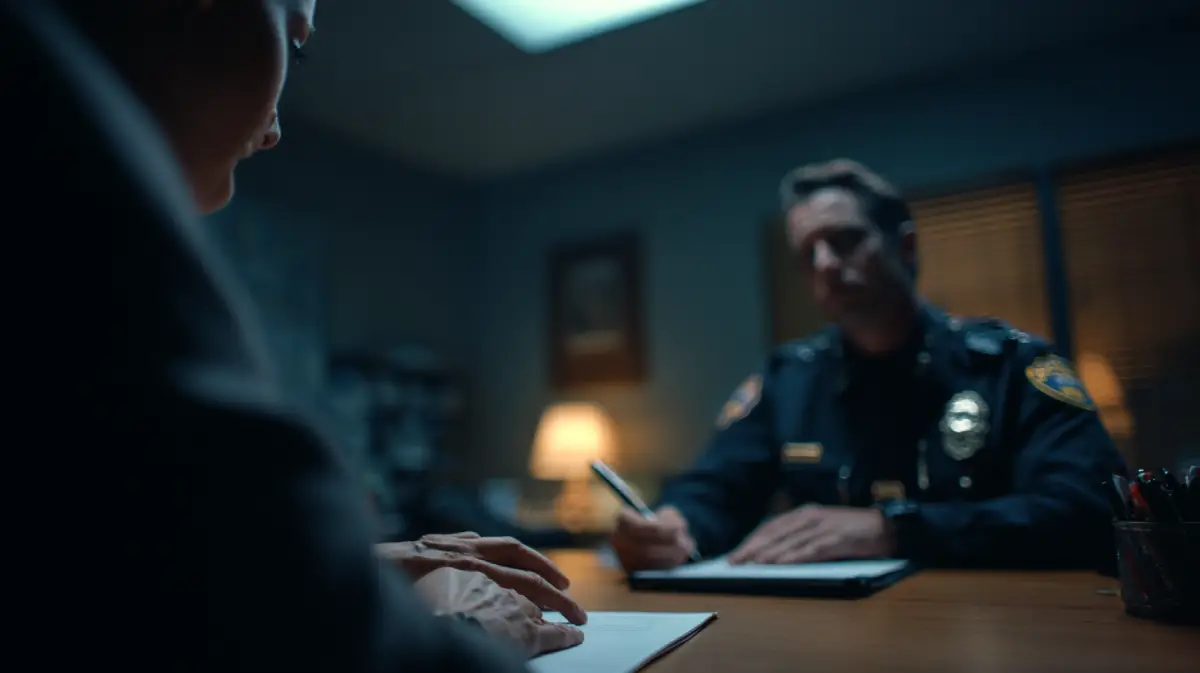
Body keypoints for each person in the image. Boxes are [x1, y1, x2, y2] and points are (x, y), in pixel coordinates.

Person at [4, 0, 581, 669]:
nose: (276, 131)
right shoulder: (53, 162)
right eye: (295, 42)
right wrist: (473, 632)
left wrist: (349, 566)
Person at [611, 159, 1126, 572]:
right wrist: (676, 526)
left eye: (845, 240)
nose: (825, 265)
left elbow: (1092, 508)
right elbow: (716, 487)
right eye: (807, 254)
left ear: (906, 248)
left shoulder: (1011, 365)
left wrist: (897, 529)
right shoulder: (790, 379)